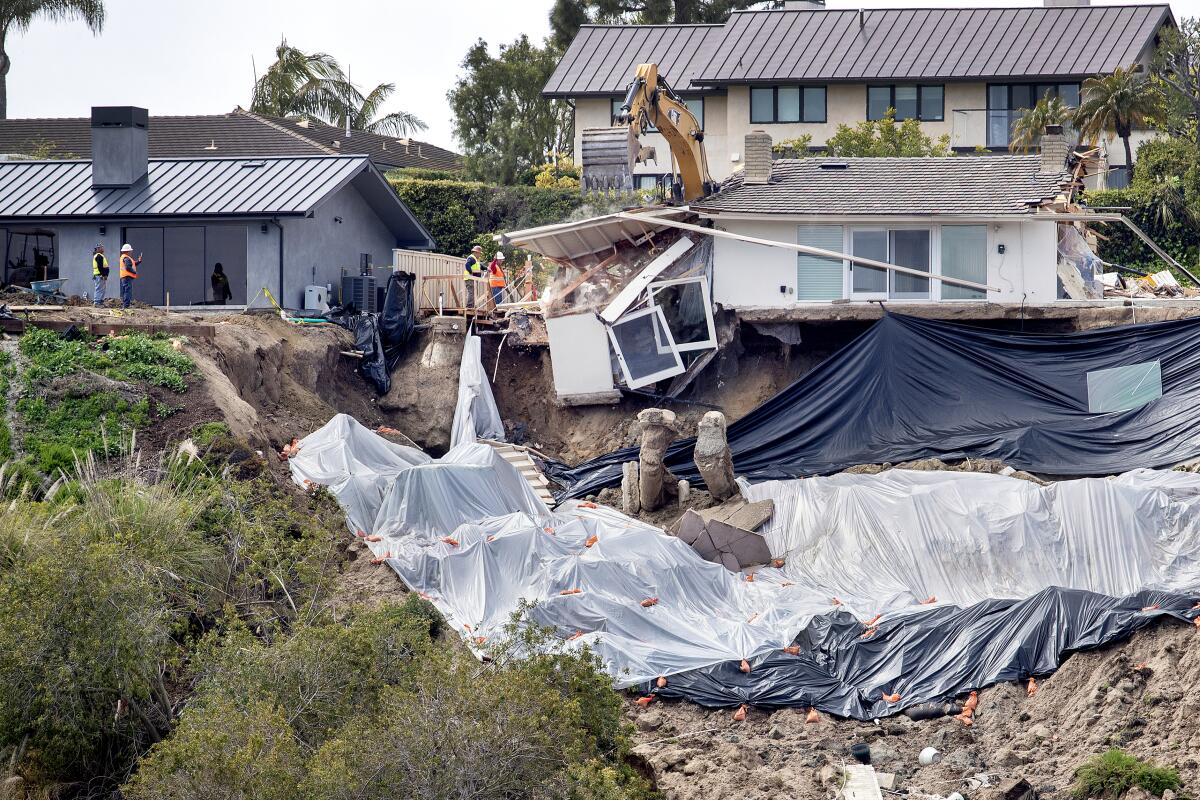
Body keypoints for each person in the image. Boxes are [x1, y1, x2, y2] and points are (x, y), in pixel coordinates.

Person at [118, 244, 142, 309]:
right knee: (127, 291)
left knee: (126, 291)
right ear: (128, 251)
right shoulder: (126, 258)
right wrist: (134, 272)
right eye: (130, 251)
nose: (131, 252)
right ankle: (126, 305)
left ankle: (126, 305)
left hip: (125, 277)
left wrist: (139, 261)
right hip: (127, 277)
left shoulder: (125, 258)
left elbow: (133, 264)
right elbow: (128, 267)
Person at [462, 244, 484, 314]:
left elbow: (481, 266)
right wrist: (471, 272)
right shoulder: (471, 258)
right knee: (471, 292)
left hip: (473, 279)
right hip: (470, 278)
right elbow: (467, 265)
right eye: (479, 253)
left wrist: (487, 268)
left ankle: (472, 305)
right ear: (476, 252)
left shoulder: (475, 260)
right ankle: (469, 306)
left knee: (473, 292)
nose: (480, 255)